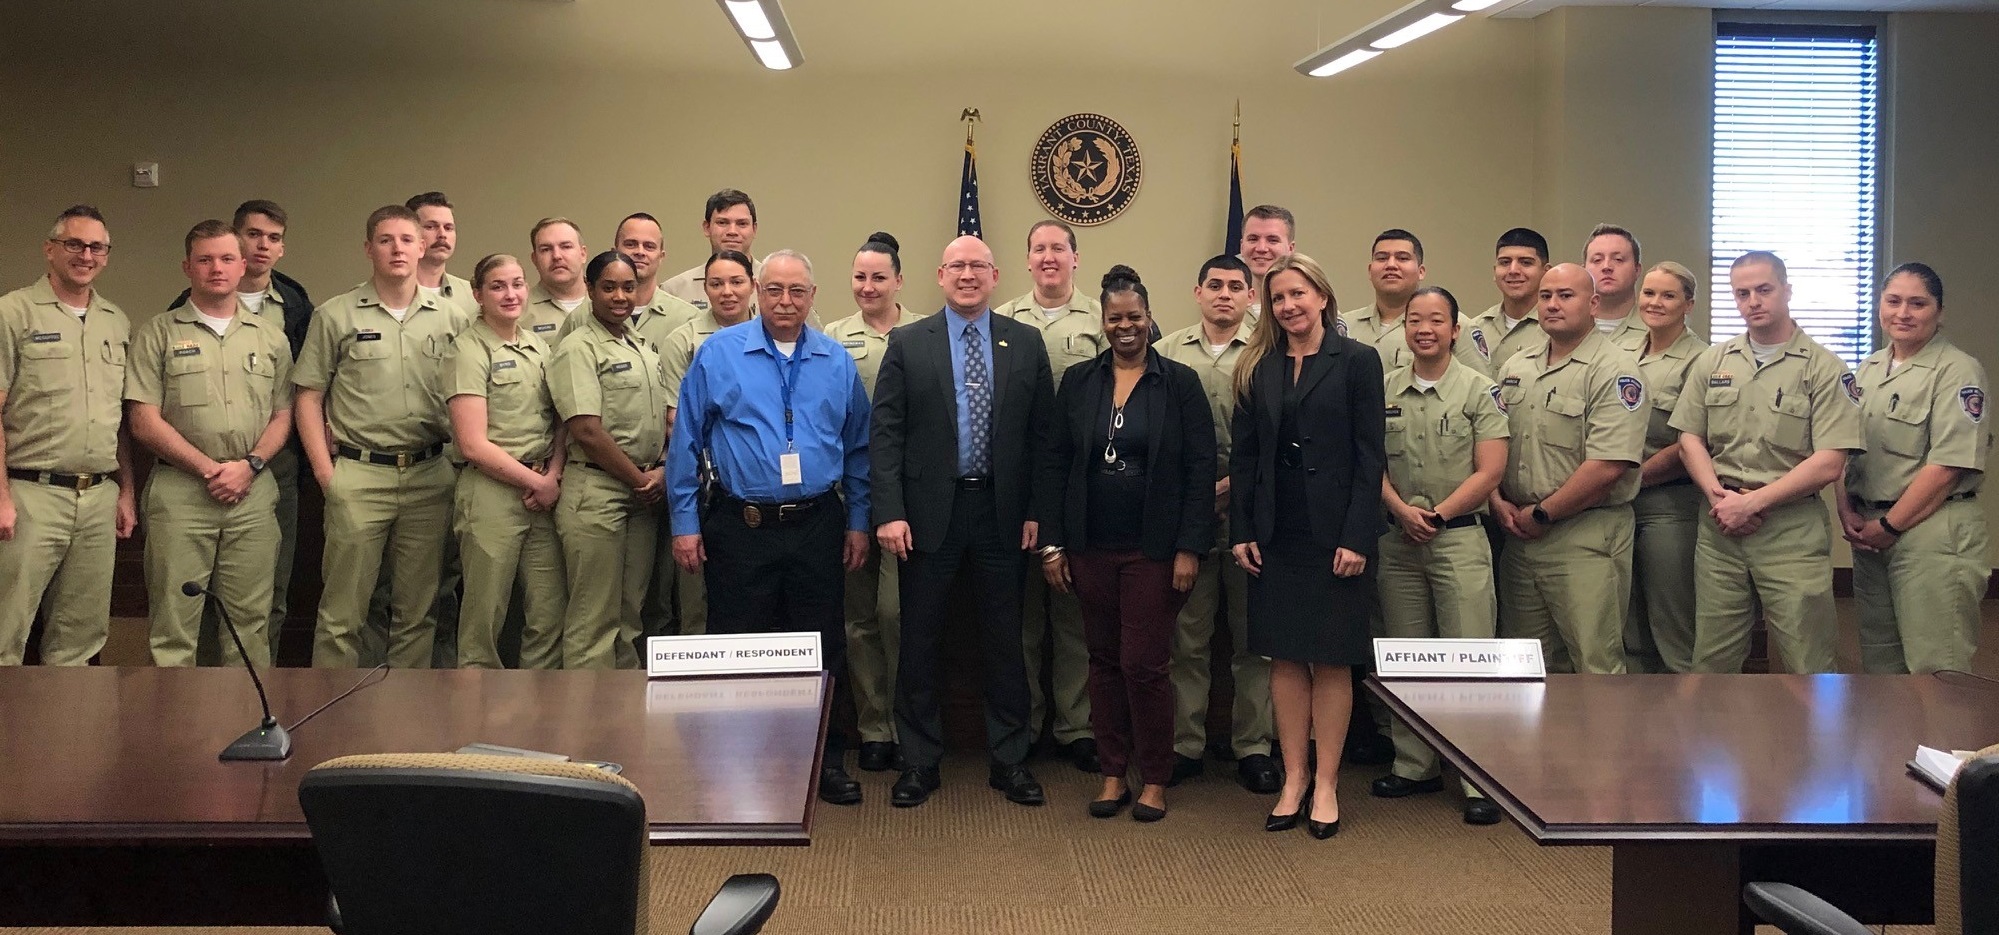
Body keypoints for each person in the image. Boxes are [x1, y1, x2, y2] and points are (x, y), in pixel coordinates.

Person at [669, 249, 872, 806]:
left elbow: (858, 449)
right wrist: (684, 523)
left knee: (820, 646)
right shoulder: (718, 354)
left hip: (817, 523)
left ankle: (822, 763)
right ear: (759, 290)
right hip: (741, 524)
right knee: (740, 645)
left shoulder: (836, 360)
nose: (786, 302)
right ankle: (738, 762)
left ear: (813, 295)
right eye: (776, 290)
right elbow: (686, 443)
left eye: (798, 291)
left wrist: (858, 521)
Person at [872, 235, 1054, 809]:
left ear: (996, 275)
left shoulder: (1025, 343)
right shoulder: (908, 343)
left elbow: (1044, 439)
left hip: (1003, 514)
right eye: (957, 266)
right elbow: (886, 436)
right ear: (940, 274)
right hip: (927, 517)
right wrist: (891, 512)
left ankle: (1011, 759)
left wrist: (1037, 511)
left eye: (978, 266)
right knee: (920, 638)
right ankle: (919, 761)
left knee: (1007, 639)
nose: (968, 275)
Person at [1041, 265, 1214, 822]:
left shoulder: (1180, 383)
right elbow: (1057, 463)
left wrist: (1190, 547)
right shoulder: (1080, 382)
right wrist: (1053, 545)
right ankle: (1113, 773)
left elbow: (1198, 469)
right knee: (1102, 661)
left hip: (1155, 550)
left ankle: (1156, 777)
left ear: (1149, 317)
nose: (1125, 327)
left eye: (1134, 317)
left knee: (1144, 664)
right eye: (1115, 318)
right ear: (1103, 321)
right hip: (1091, 546)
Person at [1229, 253, 1386, 839]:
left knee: (1331, 657)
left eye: (1298, 294)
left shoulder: (1357, 362)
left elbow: (1372, 457)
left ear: (1322, 296)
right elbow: (1244, 459)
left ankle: (1326, 783)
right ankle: (1293, 779)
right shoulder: (1258, 366)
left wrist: (1357, 536)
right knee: (1286, 656)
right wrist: (1241, 528)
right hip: (1275, 533)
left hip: (1335, 535)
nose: (1288, 306)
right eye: (1277, 299)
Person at [295, 205, 470, 668]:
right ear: (368, 248)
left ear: (422, 247)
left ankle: (404, 721)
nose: (398, 249)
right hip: (358, 475)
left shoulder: (452, 317)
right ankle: (333, 712)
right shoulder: (336, 314)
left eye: (407, 240)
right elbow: (308, 397)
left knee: (419, 610)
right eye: (386, 240)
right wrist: (325, 473)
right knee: (342, 613)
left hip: (430, 475)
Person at [1672, 251, 1861, 675]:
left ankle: (1812, 744)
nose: (1753, 301)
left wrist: (1752, 505)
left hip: (1789, 529)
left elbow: (1830, 461)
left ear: (1787, 290)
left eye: (1764, 290)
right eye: (1742, 293)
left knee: (1808, 660)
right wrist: (1719, 497)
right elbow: (1689, 439)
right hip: (1720, 525)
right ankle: (1716, 741)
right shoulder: (1713, 362)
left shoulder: (1824, 368)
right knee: (1712, 660)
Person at [126, 220, 293, 668]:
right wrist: (208, 468)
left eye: (225, 259)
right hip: (181, 492)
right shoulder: (156, 333)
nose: (215, 268)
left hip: (252, 494)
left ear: (242, 266)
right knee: (174, 626)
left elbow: (283, 415)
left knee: (249, 625)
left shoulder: (271, 338)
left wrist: (250, 465)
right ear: (187, 267)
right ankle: (176, 732)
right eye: (204, 259)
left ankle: (247, 726)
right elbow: (143, 420)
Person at [1370, 286, 1508, 825]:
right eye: (1414, 319)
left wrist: (1438, 515)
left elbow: (1490, 470)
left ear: (1455, 329)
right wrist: (1402, 511)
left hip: (1458, 538)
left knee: (1470, 660)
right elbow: (1370, 463)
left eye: (1436, 320)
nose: (1424, 328)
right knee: (1406, 658)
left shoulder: (1480, 390)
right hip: (1397, 539)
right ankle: (1415, 764)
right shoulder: (1381, 390)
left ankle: (1479, 778)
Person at [1155, 255, 1278, 793]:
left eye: (1236, 286)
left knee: (1256, 641)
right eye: (1215, 286)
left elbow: (1277, 439)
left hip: (1253, 513)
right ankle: (1185, 746)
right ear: (1197, 292)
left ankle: (1254, 745)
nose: (1225, 294)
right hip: (1188, 517)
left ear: (1251, 296)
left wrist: (1228, 489)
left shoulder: (1269, 353)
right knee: (1188, 639)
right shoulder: (1164, 353)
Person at [1490, 264, 1646, 675]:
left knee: (1595, 663)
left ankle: (1604, 743)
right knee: (1524, 667)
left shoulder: (1615, 371)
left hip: (1585, 535)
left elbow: (1608, 465)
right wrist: (1496, 500)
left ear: (1593, 304)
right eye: (1545, 296)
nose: (1553, 305)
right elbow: (1489, 444)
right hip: (1519, 535)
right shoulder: (1515, 368)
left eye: (1565, 295)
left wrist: (1545, 513)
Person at [0, 205, 136, 666]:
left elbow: (118, 417)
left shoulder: (116, 321)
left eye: (97, 247)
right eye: (74, 244)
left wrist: (126, 491)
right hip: (28, 493)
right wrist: (0, 496)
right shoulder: (12, 312)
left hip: (98, 497)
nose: (86, 254)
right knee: (7, 629)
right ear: (50, 249)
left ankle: (68, 738)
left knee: (80, 639)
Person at [1838, 263, 1988, 674]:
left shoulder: (1957, 370)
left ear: (1939, 312)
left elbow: (1947, 466)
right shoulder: (1867, 370)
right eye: (1894, 301)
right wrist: (1847, 508)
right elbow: (1843, 448)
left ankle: (1944, 742)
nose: (1903, 312)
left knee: (1937, 668)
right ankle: (1894, 742)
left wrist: (1889, 527)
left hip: (1931, 531)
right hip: (1871, 530)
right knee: (1882, 665)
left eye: (1918, 303)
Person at [993, 219, 1102, 772]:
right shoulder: (1004, 319)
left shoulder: (1100, 319)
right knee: (1022, 619)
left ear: (1075, 258)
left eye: (1059, 248)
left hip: (1081, 479)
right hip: (1018, 480)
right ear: (1027, 260)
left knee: (1072, 614)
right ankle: (1028, 722)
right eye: (1039, 249)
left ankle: (1076, 726)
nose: (1049, 257)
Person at [444, 254, 568, 670]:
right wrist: (537, 483)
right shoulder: (468, 349)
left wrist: (552, 475)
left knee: (549, 617)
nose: (511, 294)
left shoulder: (538, 347)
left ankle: (538, 719)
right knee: (484, 621)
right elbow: (472, 444)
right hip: (492, 493)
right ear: (478, 294)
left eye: (517, 284)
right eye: (498, 286)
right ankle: (476, 721)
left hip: (542, 493)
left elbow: (561, 422)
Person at [826, 232, 921, 773]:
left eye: (879, 277)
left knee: (898, 613)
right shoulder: (832, 339)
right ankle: (873, 727)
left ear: (899, 281)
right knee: (858, 617)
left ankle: (909, 720)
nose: (868, 286)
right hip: (849, 494)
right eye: (860, 277)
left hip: (910, 499)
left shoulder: (929, 332)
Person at [548, 251, 669, 669]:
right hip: (597, 492)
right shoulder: (577, 347)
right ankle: (585, 730)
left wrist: (660, 471)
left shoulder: (639, 344)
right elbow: (586, 431)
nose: (620, 296)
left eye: (628, 287)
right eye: (609, 287)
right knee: (593, 621)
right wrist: (641, 479)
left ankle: (622, 724)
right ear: (589, 289)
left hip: (642, 495)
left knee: (629, 618)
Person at [657, 250, 759, 639]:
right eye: (716, 284)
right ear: (705, 289)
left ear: (753, 285)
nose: (727, 292)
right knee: (697, 599)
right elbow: (676, 422)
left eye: (737, 282)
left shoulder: (774, 332)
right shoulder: (683, 340)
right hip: (702, 485)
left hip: (753, 491)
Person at [1625, 263, 1708, 673]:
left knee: (1673, 624)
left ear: (1689, 304)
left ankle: (1686, 727)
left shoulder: (1701, 360)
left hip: (1668, 505)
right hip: (1619, 504)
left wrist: (1629, 477)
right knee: (1629, 627)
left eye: (1668, 295)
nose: (1655, 303)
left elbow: (1689, 443)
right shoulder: (1624, 352)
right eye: (1649, 293)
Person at [1458, 228, 1550, 378]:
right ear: (1495, 272)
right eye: (1505, 262)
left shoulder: (1555, 329)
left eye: (1526, 262)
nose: (1513, 270)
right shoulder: (1475, 328)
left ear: (1546, 272)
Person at [1340, 229, 1427, 371]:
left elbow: (1472, 384)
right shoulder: (1344, 326)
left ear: (1421, 271)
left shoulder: (1447, 326)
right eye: (1381, 258)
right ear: (1370, 270)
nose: (1391, 265)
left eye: (1402, 258)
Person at [661, 190, 761, 311]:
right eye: (722, 222)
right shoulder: (675, 291)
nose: (732, 231)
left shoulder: (775, 285)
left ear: (754, 229)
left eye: (742, 223)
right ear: (707, 228)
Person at [407, 192, 476, 317]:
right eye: (431, 226)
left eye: (448, 228)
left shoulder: (472, 296)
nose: (442, 234)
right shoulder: (391, 292)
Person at [1582, 224, 1648, 353]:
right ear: (1583, 270)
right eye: (1597, 260)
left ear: (1637, 270)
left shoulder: (1659, 332)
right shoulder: (1561, 328)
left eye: (1618, 259)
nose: (1606, 266)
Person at [525, 217, 589, 340]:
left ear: (583, 254)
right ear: (534, 259)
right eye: (546, 249)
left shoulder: (609, 303)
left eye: (566, 246)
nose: (556, 256)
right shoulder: (518, 311)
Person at [1238, 204, 1296, 326]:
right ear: (1242, 247)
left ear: (1290, 248)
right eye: (1253, 239)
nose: (1261, 248)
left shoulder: (1310, 310)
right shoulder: (1225, 307)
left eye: (1272, 240)